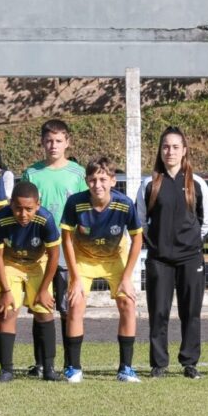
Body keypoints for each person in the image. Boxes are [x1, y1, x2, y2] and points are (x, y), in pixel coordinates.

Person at [136, 127, 208, 379]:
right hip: (159, 259)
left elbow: (204, 222)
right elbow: (141, 221)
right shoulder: (149, 184)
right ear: (160, 150)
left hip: (190, 258)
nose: (170, 151)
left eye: (175, 147)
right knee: (159, 312)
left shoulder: (197, 183)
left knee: (190, 311)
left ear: (184, 150)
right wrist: (158, 244)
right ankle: (159, 364)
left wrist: (189, 243)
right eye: (166, 147)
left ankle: (190, 362)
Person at [60, 157, 143, 384]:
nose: (98, 184)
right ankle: (73, 368)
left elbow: (137, 239)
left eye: (103, 179)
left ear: (113, 181)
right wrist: (74, 277)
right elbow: (66, 239)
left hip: (114, 258)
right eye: (93, 179)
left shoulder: (124, 204)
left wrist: (127, 277)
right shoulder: (75, 203)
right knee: (75, 303)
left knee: (128, 303)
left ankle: (126, 368)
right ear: (86, 181)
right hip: (84, 258)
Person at [21, 119, 88, 376]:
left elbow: (85, 212)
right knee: (41, 307)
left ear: (67, 142)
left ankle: (70, 363)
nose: (53, 145)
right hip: (39, 253)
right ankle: (41, 363)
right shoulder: (32, 174)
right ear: (42, 142)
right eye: (49, 140)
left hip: (67, 252)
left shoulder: (78, 174)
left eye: (59, 141)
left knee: (67, 308)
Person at [0, 181, 62, 384]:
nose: (23, 214)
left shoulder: (46, 219)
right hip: (11, 263)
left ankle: (48, 369)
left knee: (44, 311)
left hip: (37, 264)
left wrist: (44, 289)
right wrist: (5, 291)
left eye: (29, 209)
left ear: (38, 205)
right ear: (11, 204)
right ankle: (6, 370)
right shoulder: (1, 219)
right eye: (18, 208)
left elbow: (54, 256)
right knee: (8, 312)